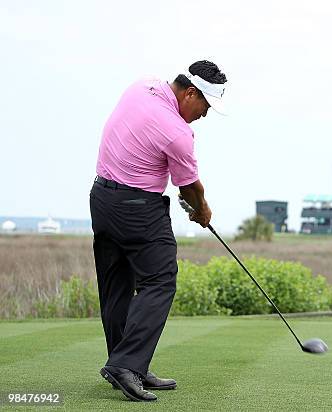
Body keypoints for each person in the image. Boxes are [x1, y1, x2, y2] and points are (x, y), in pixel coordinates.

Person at [90, 60, 227, 402]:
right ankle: (126, 364)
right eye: (206, 106)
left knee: (116, 285)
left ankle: (127, 364)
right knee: (160, 281)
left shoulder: (142, 85)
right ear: (191, 93)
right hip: (139, 210)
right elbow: (191, 188)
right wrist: (202, 211)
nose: (205, 115)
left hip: (102, 200)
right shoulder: (178, 132)